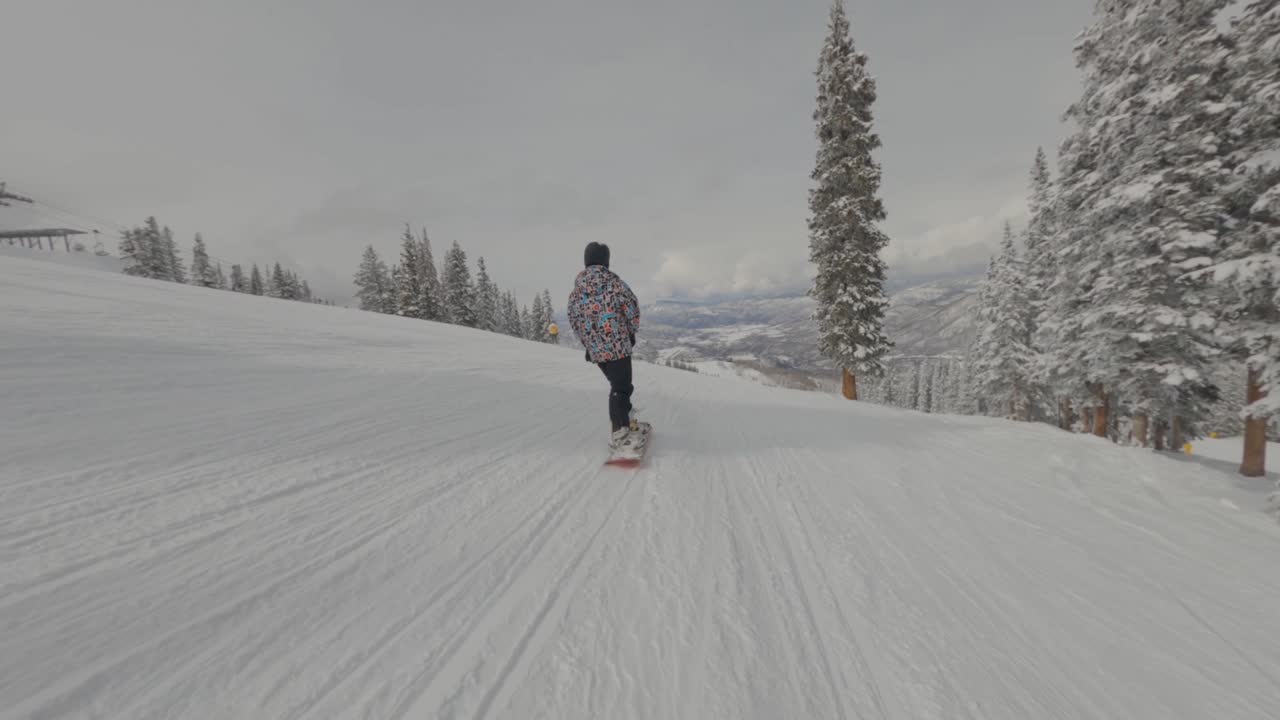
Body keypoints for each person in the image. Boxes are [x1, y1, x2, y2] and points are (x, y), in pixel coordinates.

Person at [568, 242, 643, 449]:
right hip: (618, 346)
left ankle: (625, 419)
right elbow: (632, 310)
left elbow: (574, 321)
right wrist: (630, 333)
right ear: (606, 261)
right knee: (621, 388)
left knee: (618, 386)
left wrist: (588, 343)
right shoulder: (614, 284)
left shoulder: (576, 292)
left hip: (596, 351)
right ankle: (620, 431)